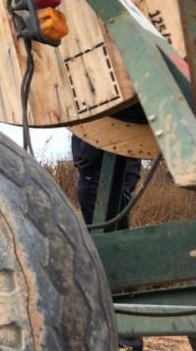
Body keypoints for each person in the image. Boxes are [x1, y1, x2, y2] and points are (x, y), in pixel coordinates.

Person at [71, 134, 142, 350]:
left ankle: (124, 337)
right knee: (110, 250)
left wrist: (88, 168)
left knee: (109, 254)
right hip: (102, 177)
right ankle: (124, 335)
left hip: (102, 179)